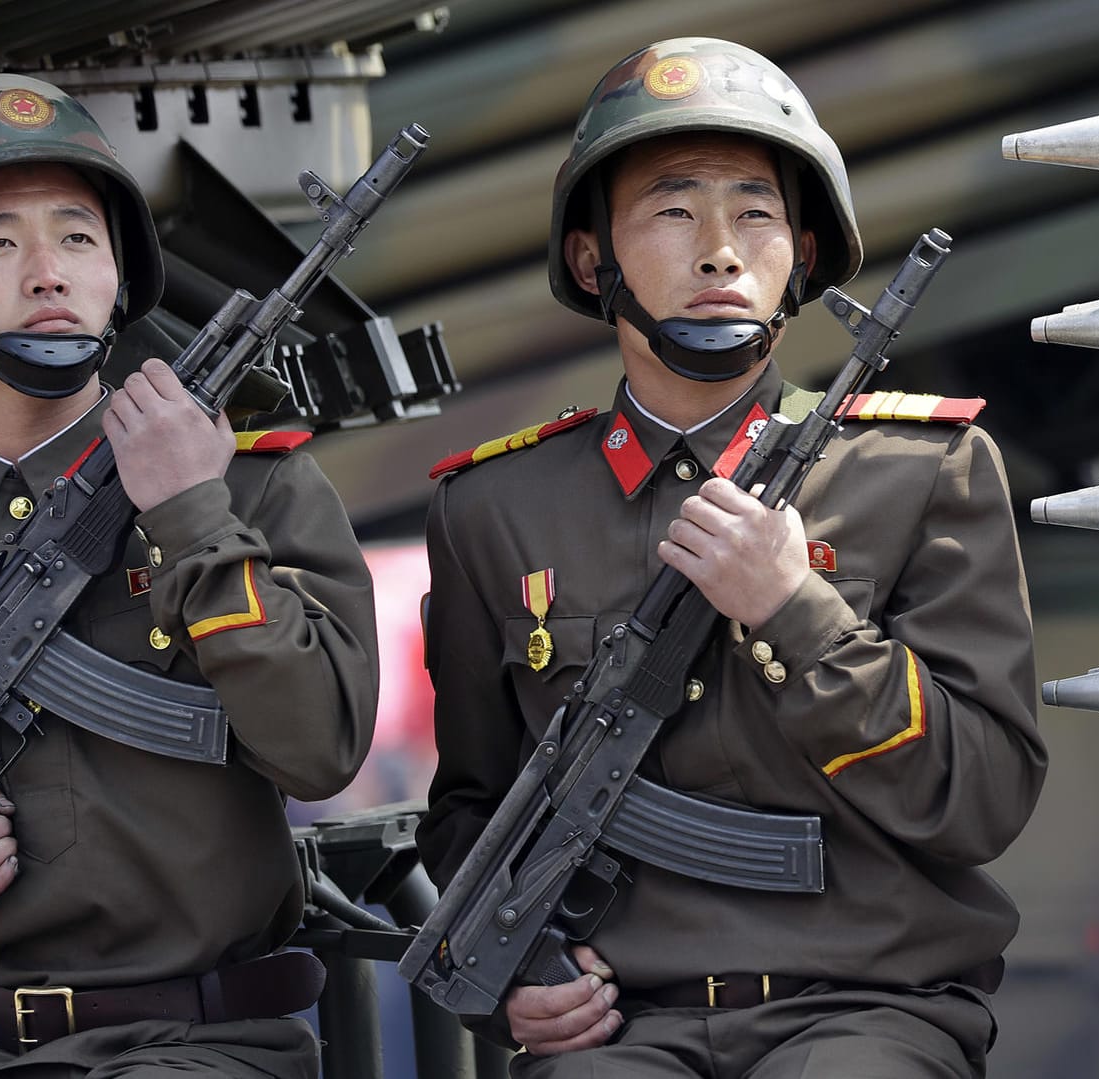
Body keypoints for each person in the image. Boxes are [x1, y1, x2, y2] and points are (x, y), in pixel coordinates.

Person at [417, 37, 1046, 1078]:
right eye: (673, 210)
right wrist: (520, 968)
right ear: (592, 260)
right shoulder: (496, 506)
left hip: (867, 1008)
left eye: (754, 212)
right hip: (625, 1028)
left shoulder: (917, 468)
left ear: (802, 253)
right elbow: (472, 805)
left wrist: (794, 609)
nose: (719, 249)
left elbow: (981, 798)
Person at [0, 73, 378, 1077]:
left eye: (80, 238)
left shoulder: (254, 486)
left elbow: (319, 749)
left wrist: (192, 512)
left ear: (118, 285)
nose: (50, 272)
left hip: (207, 1046)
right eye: (1, 242)